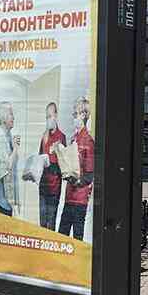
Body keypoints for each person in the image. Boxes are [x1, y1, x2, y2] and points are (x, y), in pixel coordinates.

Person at [59, 97, 93, 239]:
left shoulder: (88, 141)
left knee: (77, 238)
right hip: (69, 196)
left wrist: (77, 181)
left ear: (83, 115)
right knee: (62, 236)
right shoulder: (74, 139)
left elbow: (89, 175)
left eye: (76, 114)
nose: (74, 117)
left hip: (79, 199)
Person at [38, 103, 65, 230]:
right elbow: (39, 160)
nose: (48, 119)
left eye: (50, 116)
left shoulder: (61, 138)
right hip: (43, 187)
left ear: (56, 116)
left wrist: (53, 159)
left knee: (50, 224)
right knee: (42, 224)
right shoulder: (44, 137)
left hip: (54, 188)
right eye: (46, 117)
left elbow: (64, 167)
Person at [0, 102, 20, 216]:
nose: (13, 117)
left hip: (5, 201)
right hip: (1, 202)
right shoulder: (0, 137)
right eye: (11, 114)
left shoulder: (7, 136)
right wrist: (15, 148)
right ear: (3, 117)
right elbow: (8, 166)